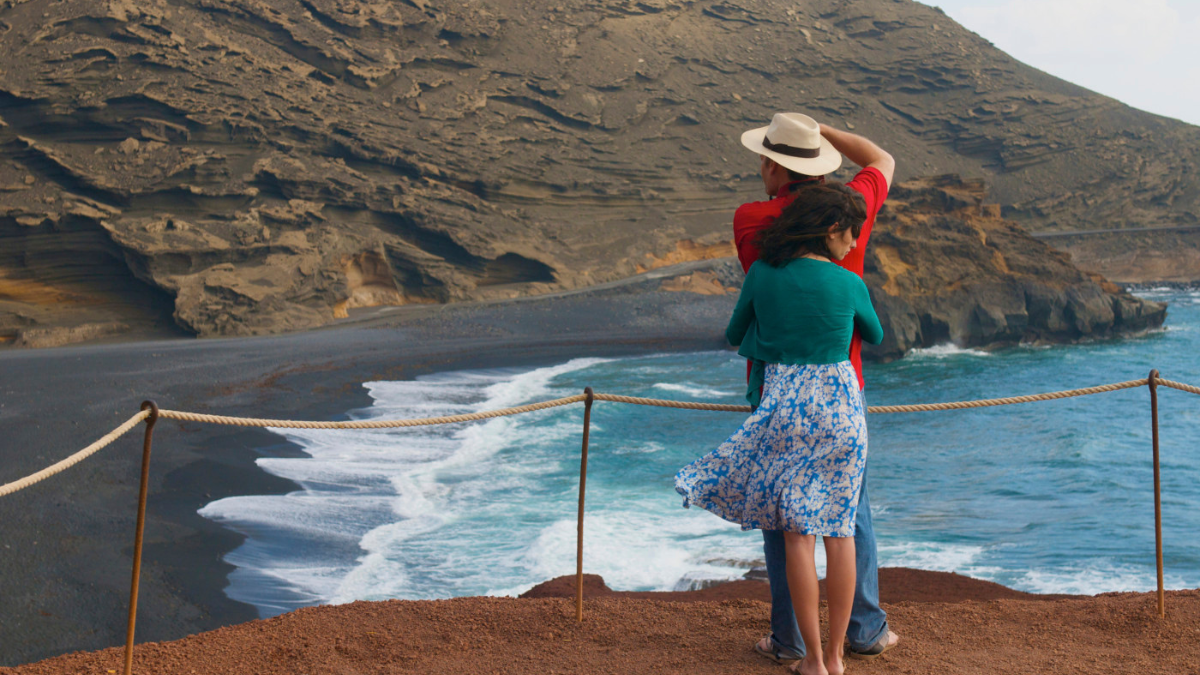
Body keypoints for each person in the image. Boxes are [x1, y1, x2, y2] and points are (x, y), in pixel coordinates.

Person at [675, 183, 884, 675]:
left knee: (796, 538)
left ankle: (811, 659)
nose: (854, 243)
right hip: (841, 410)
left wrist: (769, 335)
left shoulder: (764, 274)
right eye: (851, 233)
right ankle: (838, 658)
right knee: (841, 534)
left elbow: (733, 334)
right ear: (832, 229)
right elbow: (873, 334)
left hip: (785, 408)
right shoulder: (848, 280)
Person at [735, 113, 899, 665]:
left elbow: (743, 323)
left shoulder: (752, 219)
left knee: (786, 519)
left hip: (775, 387)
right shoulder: (851, 210)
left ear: (772, 165)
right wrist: (822, 131)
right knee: (849, 515)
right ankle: (863, 631)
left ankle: (791, 642)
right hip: (841, 388)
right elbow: (882, 160)